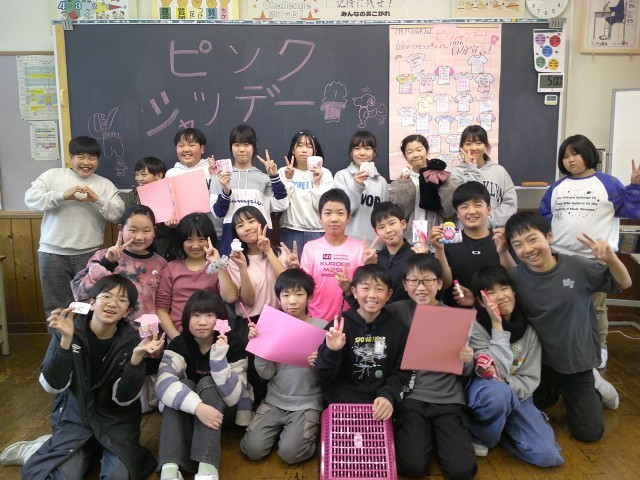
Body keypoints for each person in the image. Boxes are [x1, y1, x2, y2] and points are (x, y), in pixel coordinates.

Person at [497, 212, 632, 443]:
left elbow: (624, 283)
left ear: (550, 236)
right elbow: (510, 278)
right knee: (528, 409)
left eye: (532, 239)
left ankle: (598, 388)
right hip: (539, 365)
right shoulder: (517, 276)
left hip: (576, 363)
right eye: (517, 245)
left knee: (589, 434)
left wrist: (611, 259)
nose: (527, 249)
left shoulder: (577, 266)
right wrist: (502, 252)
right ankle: (555, 392)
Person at [22, 274, 163, 480]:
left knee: (117, 476)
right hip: (76, 416)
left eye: (121, 300)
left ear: (128, 311)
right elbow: (52, 385)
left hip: (116, 421)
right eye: (106, 296)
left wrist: (136, 360)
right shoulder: (69, 330)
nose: (112, 303)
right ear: (91, 302)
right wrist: (65, 343)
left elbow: (124, 398)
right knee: (66, 476)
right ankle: (40, 448)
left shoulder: (132, 341)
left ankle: (82, 449)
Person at [539, 134, 640, 369]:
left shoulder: (608, 183)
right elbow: (544, 219)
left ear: (589, 154)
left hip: (596, 259)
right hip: (560, 257)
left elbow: (631, 209)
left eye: (575, 154)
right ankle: (563, 347)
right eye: (565, 156)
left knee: (595, 307)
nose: (570, 160)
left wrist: (635, 186)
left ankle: (599, 346)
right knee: (562, 305)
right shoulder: (557, 187)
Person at [385, 254, 477, 479]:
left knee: (461, 471)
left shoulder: (455, 317)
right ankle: (426, 438)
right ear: (405, 284)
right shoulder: (395, 311)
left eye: (427, 280)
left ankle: (441, 438)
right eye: (414, 281)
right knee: (411, 467)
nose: (421, 287)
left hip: (448, 398)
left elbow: (466, 372)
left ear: (439, 283)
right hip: (411, 398)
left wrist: (467, 360)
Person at [71, 204, 168, 412]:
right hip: (111, 338)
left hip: (146, 336)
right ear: (121, 230)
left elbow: (163, 303)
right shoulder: (104, 256)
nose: (139, 236)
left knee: (143, 402)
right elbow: (81, 293)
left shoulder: (161, 264)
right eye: (133, 230)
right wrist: (107, 263)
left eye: (146, 230)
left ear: (154, 232)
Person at [466, 265, 564, 467]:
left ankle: (501, 431)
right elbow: (495, 373)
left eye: (504, 288)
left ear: (514, 291)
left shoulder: (528, 328)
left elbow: (530, 378)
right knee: (499, 393)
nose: (500, 296)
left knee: (548, 456)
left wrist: (508, 386)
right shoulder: (474, 325)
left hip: (518, 396)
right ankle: (482, 435)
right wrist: (497, 325)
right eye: (490, 293)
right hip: (486, 393)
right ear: (480, 300)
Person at [24, 136, 125, 319]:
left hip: (89, 254)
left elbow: (117, 214)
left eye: (92, 158)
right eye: (81, 157)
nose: (86, 162)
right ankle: (60, 339)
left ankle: (85, 339)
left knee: (90, 306)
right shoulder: (52, 176)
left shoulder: (104, 184)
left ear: (98, 161)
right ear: (71, 157)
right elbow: (31, 200)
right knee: (56, 308)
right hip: (52, 253)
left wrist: (97, 199)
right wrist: (63, 196)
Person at [156, 290, 253, 480]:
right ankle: (170, 468)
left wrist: (218, 359)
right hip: (191, 414)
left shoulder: (233, 344)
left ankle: (206, 468)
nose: (202, 322)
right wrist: (198, 408)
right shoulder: (179, 344)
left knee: (208, 382)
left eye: (209, 315)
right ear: (187, 318)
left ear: (220, 319)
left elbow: (234, 397)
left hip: (221, 415)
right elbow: (162, 384)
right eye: (196, 315)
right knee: (180, 385)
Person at [240, 269, 324, 465]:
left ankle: (302, 434)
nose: (292, 301)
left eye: (299, 294)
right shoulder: (270, 327)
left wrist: (322, 362)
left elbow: (331, 374)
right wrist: (260, 347)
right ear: (278, 298)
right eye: (286, 295)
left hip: (307, 403)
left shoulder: (322, 328)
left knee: (290, 454)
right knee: (252, 449)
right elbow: (267, 374)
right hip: (275, 400)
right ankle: (287, 432)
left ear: (309, 297)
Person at [314, 264, 410, 422]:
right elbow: (323, 375)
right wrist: (331, 351)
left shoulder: (398, 328)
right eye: (365, 288)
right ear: (354, 292)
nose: (372, 295)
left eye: (379, 289)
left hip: (379, 409)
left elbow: (403, 372)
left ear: (389, 294)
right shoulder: (338, 327)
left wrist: (388, 396)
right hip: (340, 407)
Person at [156, 213, 242, 340]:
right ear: (181, 241)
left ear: (210, 240)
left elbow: (230, 297)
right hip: (178, 337)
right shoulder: (171, 268)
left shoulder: (218, 266)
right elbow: (161, 310)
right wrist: (177, 340)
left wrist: (218, 264)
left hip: (212, 338)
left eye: (201, 239)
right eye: (189, 240)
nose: (195, 245)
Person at [210, 123, 289, 254]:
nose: (242, 149)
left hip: (261, 238)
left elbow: (282, 205)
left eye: (246, 145)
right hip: (231, 236)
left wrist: (274, 177)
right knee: (232, 267)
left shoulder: (265, 178)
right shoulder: (221, 177)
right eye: (237, 145)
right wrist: (226, 192)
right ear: (230, 147)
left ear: (254, 147)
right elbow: (217, 214)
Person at [429, 181, 500, 307]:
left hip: (495, 312)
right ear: (457, 213)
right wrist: (439, 249)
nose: (471, 211)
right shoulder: (449, 242)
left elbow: (510, 283)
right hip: (455, 313)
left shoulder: (500, 241)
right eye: (464, 207)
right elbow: (444, 284)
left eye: (478, 205)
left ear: (489, 209)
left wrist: (477, 301)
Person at [300, 189, 365, 321]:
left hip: (352, 321)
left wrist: (371, 265)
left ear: (348, 217)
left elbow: (366, 287)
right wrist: (294, 270)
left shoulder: (360, 248)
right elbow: (304, 287)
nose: (334, 219)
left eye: (340, 213)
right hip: (316, 320)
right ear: (320, 217)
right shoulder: (310, 248)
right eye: (328, 213)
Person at [390, 134, 456, 244]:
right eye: (410, 152)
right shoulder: (400, 181)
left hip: (435, 236)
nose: (415, 155)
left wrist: (442, 181)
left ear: (427, 151)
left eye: (419, 150)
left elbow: (449, 211)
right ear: (405, 156)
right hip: (409, 239)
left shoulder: (441, 176)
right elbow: (400, 213)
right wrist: (404, 184)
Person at [278, 130, 334, 252]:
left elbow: (321, 207)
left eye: (309, 146)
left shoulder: (325, 174)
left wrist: (317, 183)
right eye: (300, 145)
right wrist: (288, 180)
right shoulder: (283, 172)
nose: (304, 150)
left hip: (317, 231)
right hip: (291, 230)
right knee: (291, 264)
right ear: (293, 150)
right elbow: (282, 204)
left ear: (315, 151)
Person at [451, 125, 516, 228]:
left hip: (495, 231)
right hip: (466, 231)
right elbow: (468, 198)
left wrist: (486, 222)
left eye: (478, 143)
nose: (473, 148)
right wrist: (471, 168)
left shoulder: (499, 171)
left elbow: (510, 204)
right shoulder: (455, 173)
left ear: (486, 145)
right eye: (468, 144)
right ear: (462, 147)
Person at [333, 130, 389, 241]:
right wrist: (357, 186)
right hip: (346, 242)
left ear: (374, 152)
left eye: (367, 148)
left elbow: (384, 216)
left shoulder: (381, 182)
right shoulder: (341, 176)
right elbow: (341, 212)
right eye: (357, 148)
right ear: (351, 152)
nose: (362, 153)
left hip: (374, 242)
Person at [125, 156, 176, 261]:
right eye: (136, 174)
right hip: (139, 243)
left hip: (165, 245)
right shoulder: (133, 195)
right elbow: (127, 218)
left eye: (144, 175)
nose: (139, 178)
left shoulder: (169, 194)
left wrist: (172, 225)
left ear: (159, 176)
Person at [369, 201, 417, 303]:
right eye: (381, 227)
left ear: (403, 224)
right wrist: (368, 267)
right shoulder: (375, 258)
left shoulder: (417, 254)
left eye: (392, 223)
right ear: (376, 231)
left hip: (409, 311)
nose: (388, 230)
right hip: (380, 312)